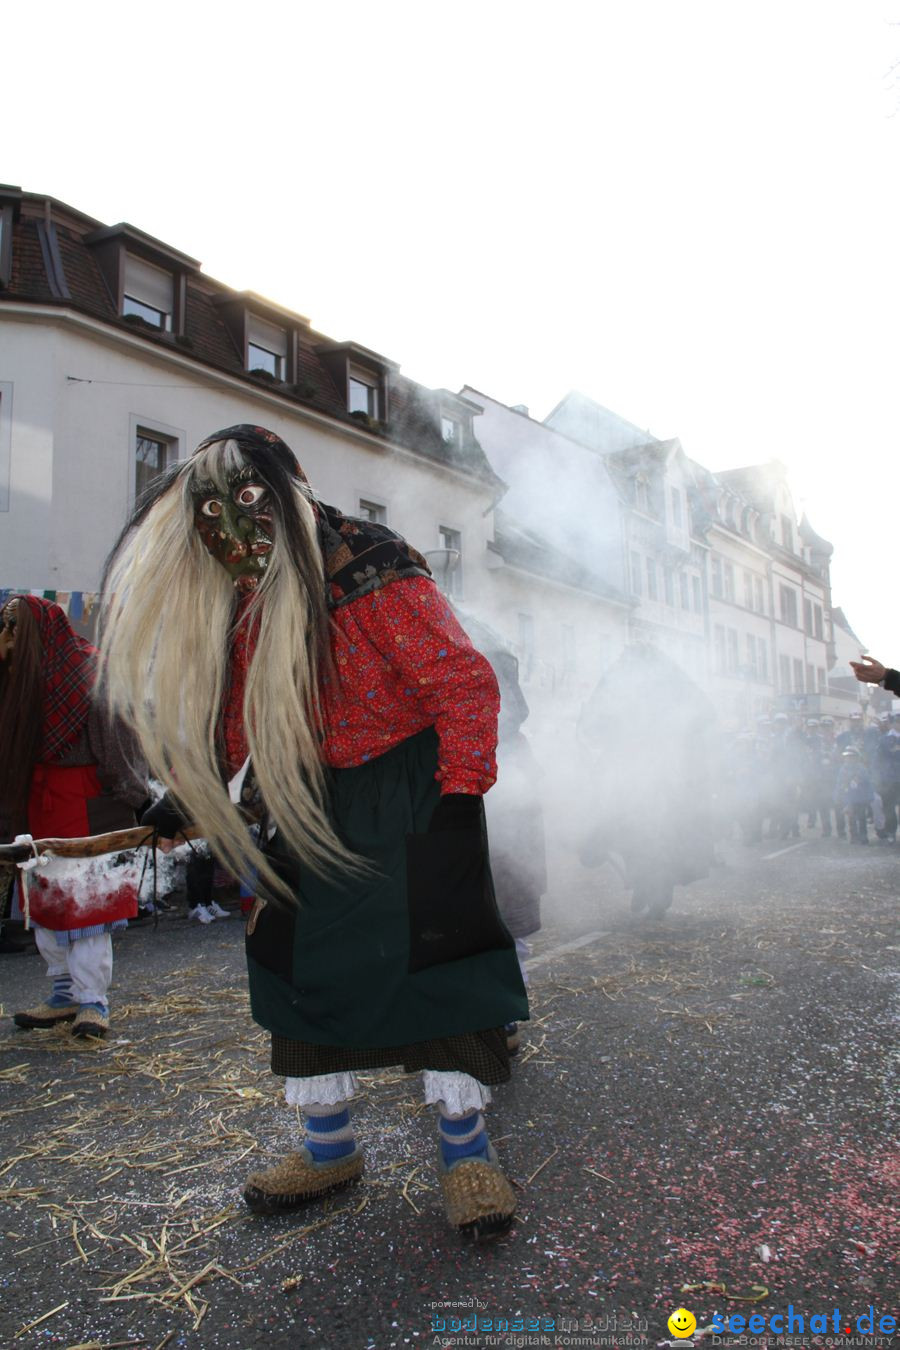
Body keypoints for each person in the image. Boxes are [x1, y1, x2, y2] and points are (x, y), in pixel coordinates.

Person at [98, 424, 527, 1239]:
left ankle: (466, 1156)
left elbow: (462, 683)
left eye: (245, 514)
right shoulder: (242, 597)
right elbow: (237, 715)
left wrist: (459, 794)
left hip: (407, 794)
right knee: (296, 968)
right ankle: (329, 1148)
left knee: (437, 965)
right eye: (211, 523)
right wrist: (189, 800)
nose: (230, 539)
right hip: (302, 799)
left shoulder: (368, 565)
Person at [0, 596, 147, 1038]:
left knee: (87, 905)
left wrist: (132, 792)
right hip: (38, 799)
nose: (8, 638)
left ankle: (92, 1001)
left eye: (13, 629)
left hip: (87, 800)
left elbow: (118, 736)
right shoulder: (17, 674)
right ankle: (64, 994)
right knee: (44, 902)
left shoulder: (89, 668)